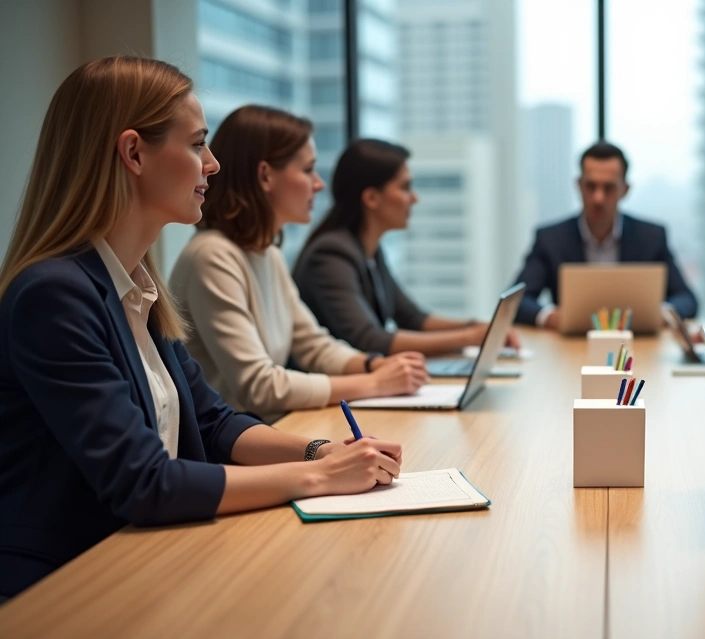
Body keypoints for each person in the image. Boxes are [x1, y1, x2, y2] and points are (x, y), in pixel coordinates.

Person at [0, 56, 405, 599]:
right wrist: (320, 479)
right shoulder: (54, 295)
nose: (212, 164)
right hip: (67, 585)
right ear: (134, 153)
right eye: (197, 145)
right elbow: (146, 483)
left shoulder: (135, 285)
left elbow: (215, 424)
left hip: (143, 557)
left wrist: (318, 451)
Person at [170, 106, 429, 424]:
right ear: (265, 175)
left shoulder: (268, 254)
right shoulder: (212, 256)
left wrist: (373, 365)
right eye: (308, 170)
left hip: (264, 430)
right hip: (227, 449)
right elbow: (260, 387)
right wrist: (374, 383)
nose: (319, 184)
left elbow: (314, 345)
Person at [293, 139, 519, 357]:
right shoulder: (331, 255)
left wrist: (475, 327)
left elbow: (413, 319)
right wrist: (469, 337)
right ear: (372, 198)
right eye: (405, 187)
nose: (414, 198)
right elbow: (370, 340)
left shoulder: (368, 249)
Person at [513, 141, 698, 328]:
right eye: (591, 186)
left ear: (625, 190)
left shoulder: (651, 237)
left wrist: (664, 314)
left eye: (608, 188)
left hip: (635, 347)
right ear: (579, 185)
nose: (598, 198)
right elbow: (516, 301)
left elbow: (687, 299)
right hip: (569, 348)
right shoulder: (550, 238)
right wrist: (549, 316)